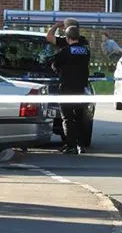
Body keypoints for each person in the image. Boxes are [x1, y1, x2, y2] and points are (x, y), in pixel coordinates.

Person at [47, 22, 91, 155]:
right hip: (80, 88)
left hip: (66, 88)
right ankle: (80, 145)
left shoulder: (65, 51)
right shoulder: (85, 51)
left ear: (67, 38)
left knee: (67, 118)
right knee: (79, 117)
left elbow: (54, 65)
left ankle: (70, 145)